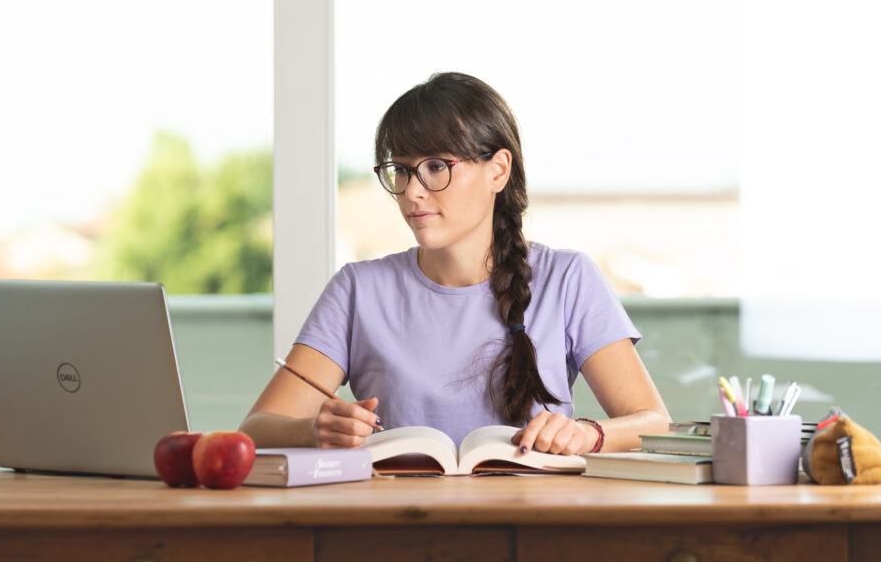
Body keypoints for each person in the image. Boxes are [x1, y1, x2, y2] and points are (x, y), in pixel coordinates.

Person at [240, 72, 669, 455]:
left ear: (498, 171)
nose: (412, 192)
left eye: (435, 167)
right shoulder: (358, 289)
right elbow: (258, 428)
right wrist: (314, 431)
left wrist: (587, 434)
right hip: (391, 524)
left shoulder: (568, 279)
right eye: (402, 171)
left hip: (534, 522)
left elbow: (654, 422)